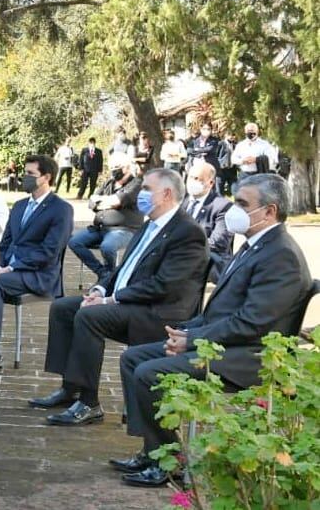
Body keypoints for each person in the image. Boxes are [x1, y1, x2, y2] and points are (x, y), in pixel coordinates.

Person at [115, 174, 311, 487]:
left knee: (149, 371)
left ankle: (169, 461)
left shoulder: (280, 254)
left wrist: (192, 340)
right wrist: (184, 332)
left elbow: (252, 322)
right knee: (133, 359)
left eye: (244, 204)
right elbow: (220, 312)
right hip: (223, 343)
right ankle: (153, 449)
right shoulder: (254, 245)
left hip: (248, 356)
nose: (235, 210)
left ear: (270, 212)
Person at [32, 168, 208, 427]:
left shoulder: (187, 232)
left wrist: (110, 301)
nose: (141, 194)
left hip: (157, 312)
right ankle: (72, 388)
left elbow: (164, 286)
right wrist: (99, 290)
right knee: (64, 308)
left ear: (167, 194)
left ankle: (89, 403)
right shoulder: (150, 223)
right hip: (129, 302)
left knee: (89, 316)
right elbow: (124, 269)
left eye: (147, 189)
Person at [0, 155, 73, 377]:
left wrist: (11, 269)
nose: (24, 177)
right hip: (10, 271)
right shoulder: (19, 205)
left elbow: (50, 252)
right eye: (24, 172)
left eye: (30, 174)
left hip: (39, 274)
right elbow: (5, 243)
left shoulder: (61, 209)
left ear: (46, 177)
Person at [68, 157, 143, 285]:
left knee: (107, 247)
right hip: (99, 228)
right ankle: (103, 273)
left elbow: (119, 201)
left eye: (117, 166)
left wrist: (102, 201)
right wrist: (107, 203)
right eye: (112, 167)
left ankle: (110, 278)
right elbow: (91, 202)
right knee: (74, 241)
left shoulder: (136, 184)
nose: (114, 170)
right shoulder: (108, 183)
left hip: (124, 229)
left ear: (127, 168)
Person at [183, 162, 234, 278]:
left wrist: (184, 246)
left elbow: (218, 242)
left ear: (210, 183)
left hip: (207, 259)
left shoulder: (223, 206)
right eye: (190, 177)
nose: (191, 182)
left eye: (197, 178)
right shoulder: (180, 201)